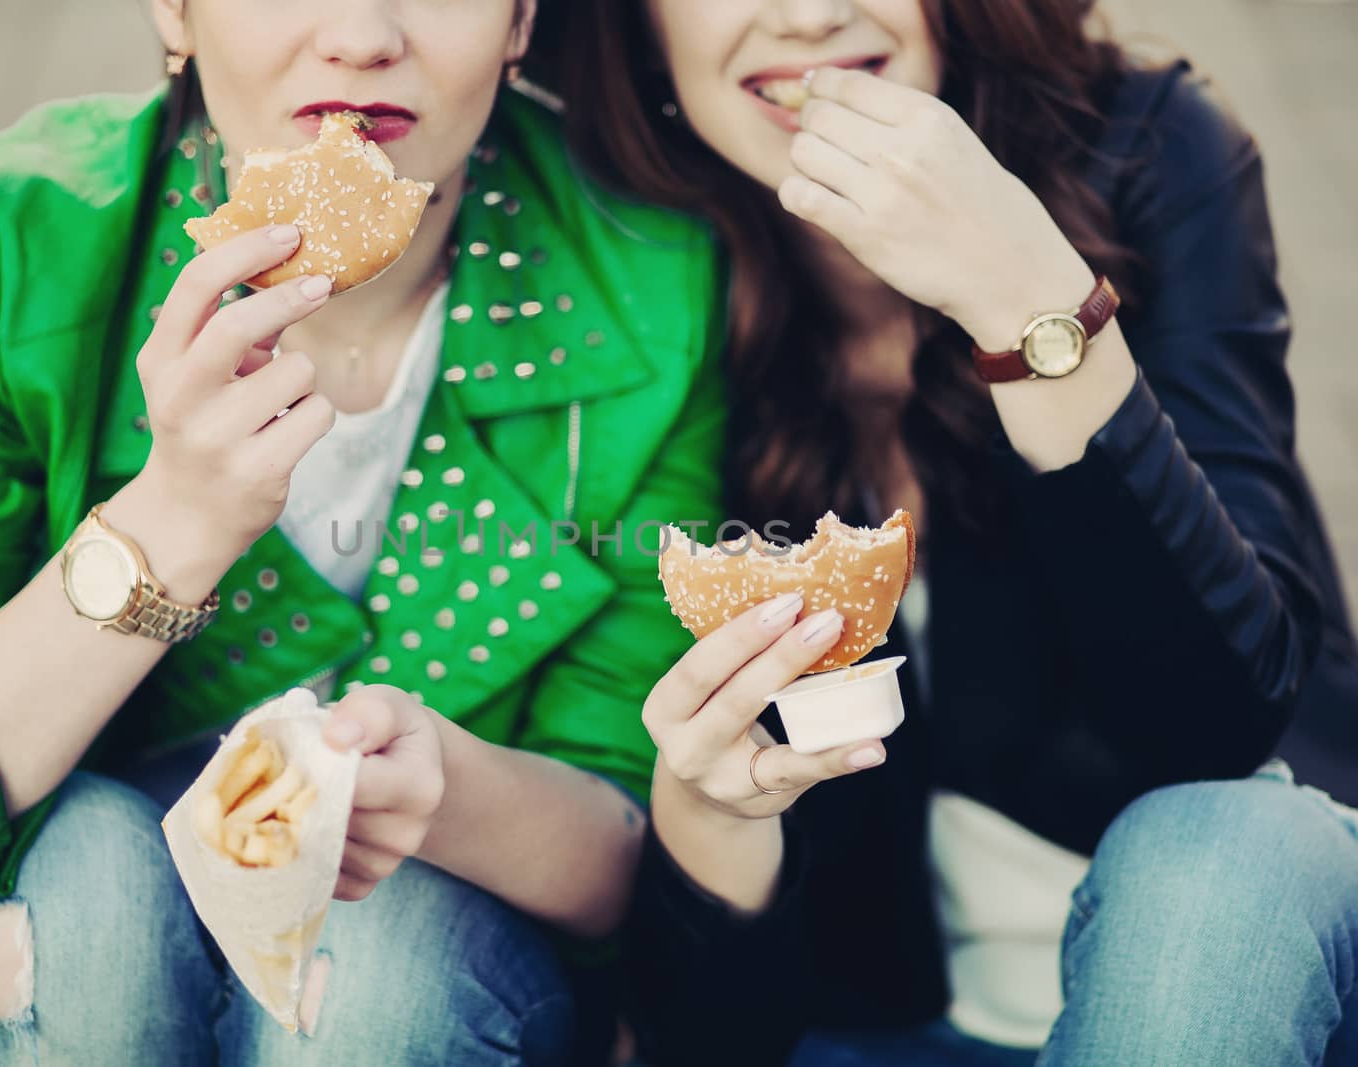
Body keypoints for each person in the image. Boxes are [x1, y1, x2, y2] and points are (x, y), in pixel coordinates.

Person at [0, 1, 729, 1064]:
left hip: (430, 955)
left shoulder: (653, 277)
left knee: (379, 972)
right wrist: (170, 523)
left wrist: (447, 788)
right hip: (51, 921)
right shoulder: (11, 229)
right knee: (91, 898)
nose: (362, 36)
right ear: (174, 8)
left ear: (519, 20)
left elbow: (627, 869)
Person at [545, 0, 1358, 1063]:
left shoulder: (1148, 145)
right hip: (878, 1025)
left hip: (1238, 959)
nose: (808, 14)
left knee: (1214, 844)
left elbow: (1216, 732)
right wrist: (715, 817)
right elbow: (710, 1029)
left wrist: (1027, 307)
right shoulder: (617, 280)